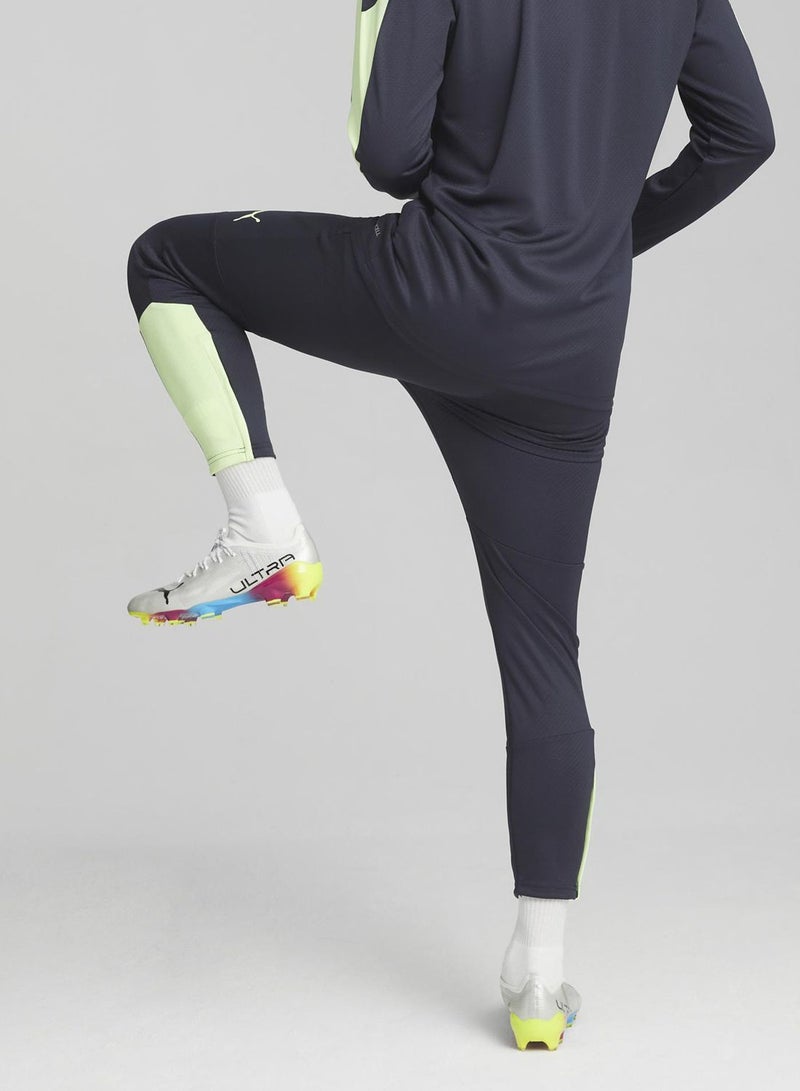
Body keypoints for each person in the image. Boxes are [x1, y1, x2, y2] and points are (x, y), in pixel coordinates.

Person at [125, 0, 775, 1051]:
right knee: (543, 647)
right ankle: (538, 979)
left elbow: (385, 155)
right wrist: (601, 240)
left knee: (168, 259)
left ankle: (262, 529)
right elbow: (743, 135)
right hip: (570, 343)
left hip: (434, 290)